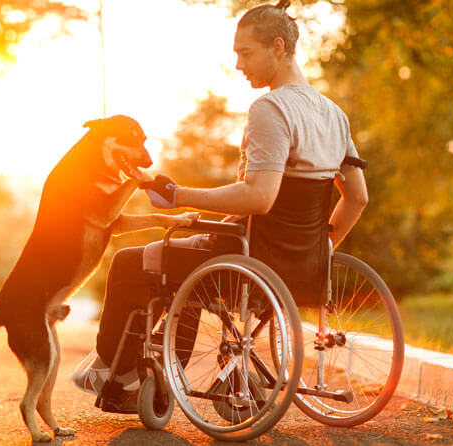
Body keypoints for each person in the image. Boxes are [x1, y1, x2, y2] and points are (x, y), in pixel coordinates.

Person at [72, 0, 368, 413]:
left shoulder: (271, 108)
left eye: (245, 52)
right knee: (186, 255)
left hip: (248, 260)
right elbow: (357, 197)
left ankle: (119, 376)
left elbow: (259, 198)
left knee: (130, 263)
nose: (238, 64)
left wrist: (179, 196)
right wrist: (322, 245)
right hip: (300, 267)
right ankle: (163, 365)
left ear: (278, 48)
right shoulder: (335, 116)